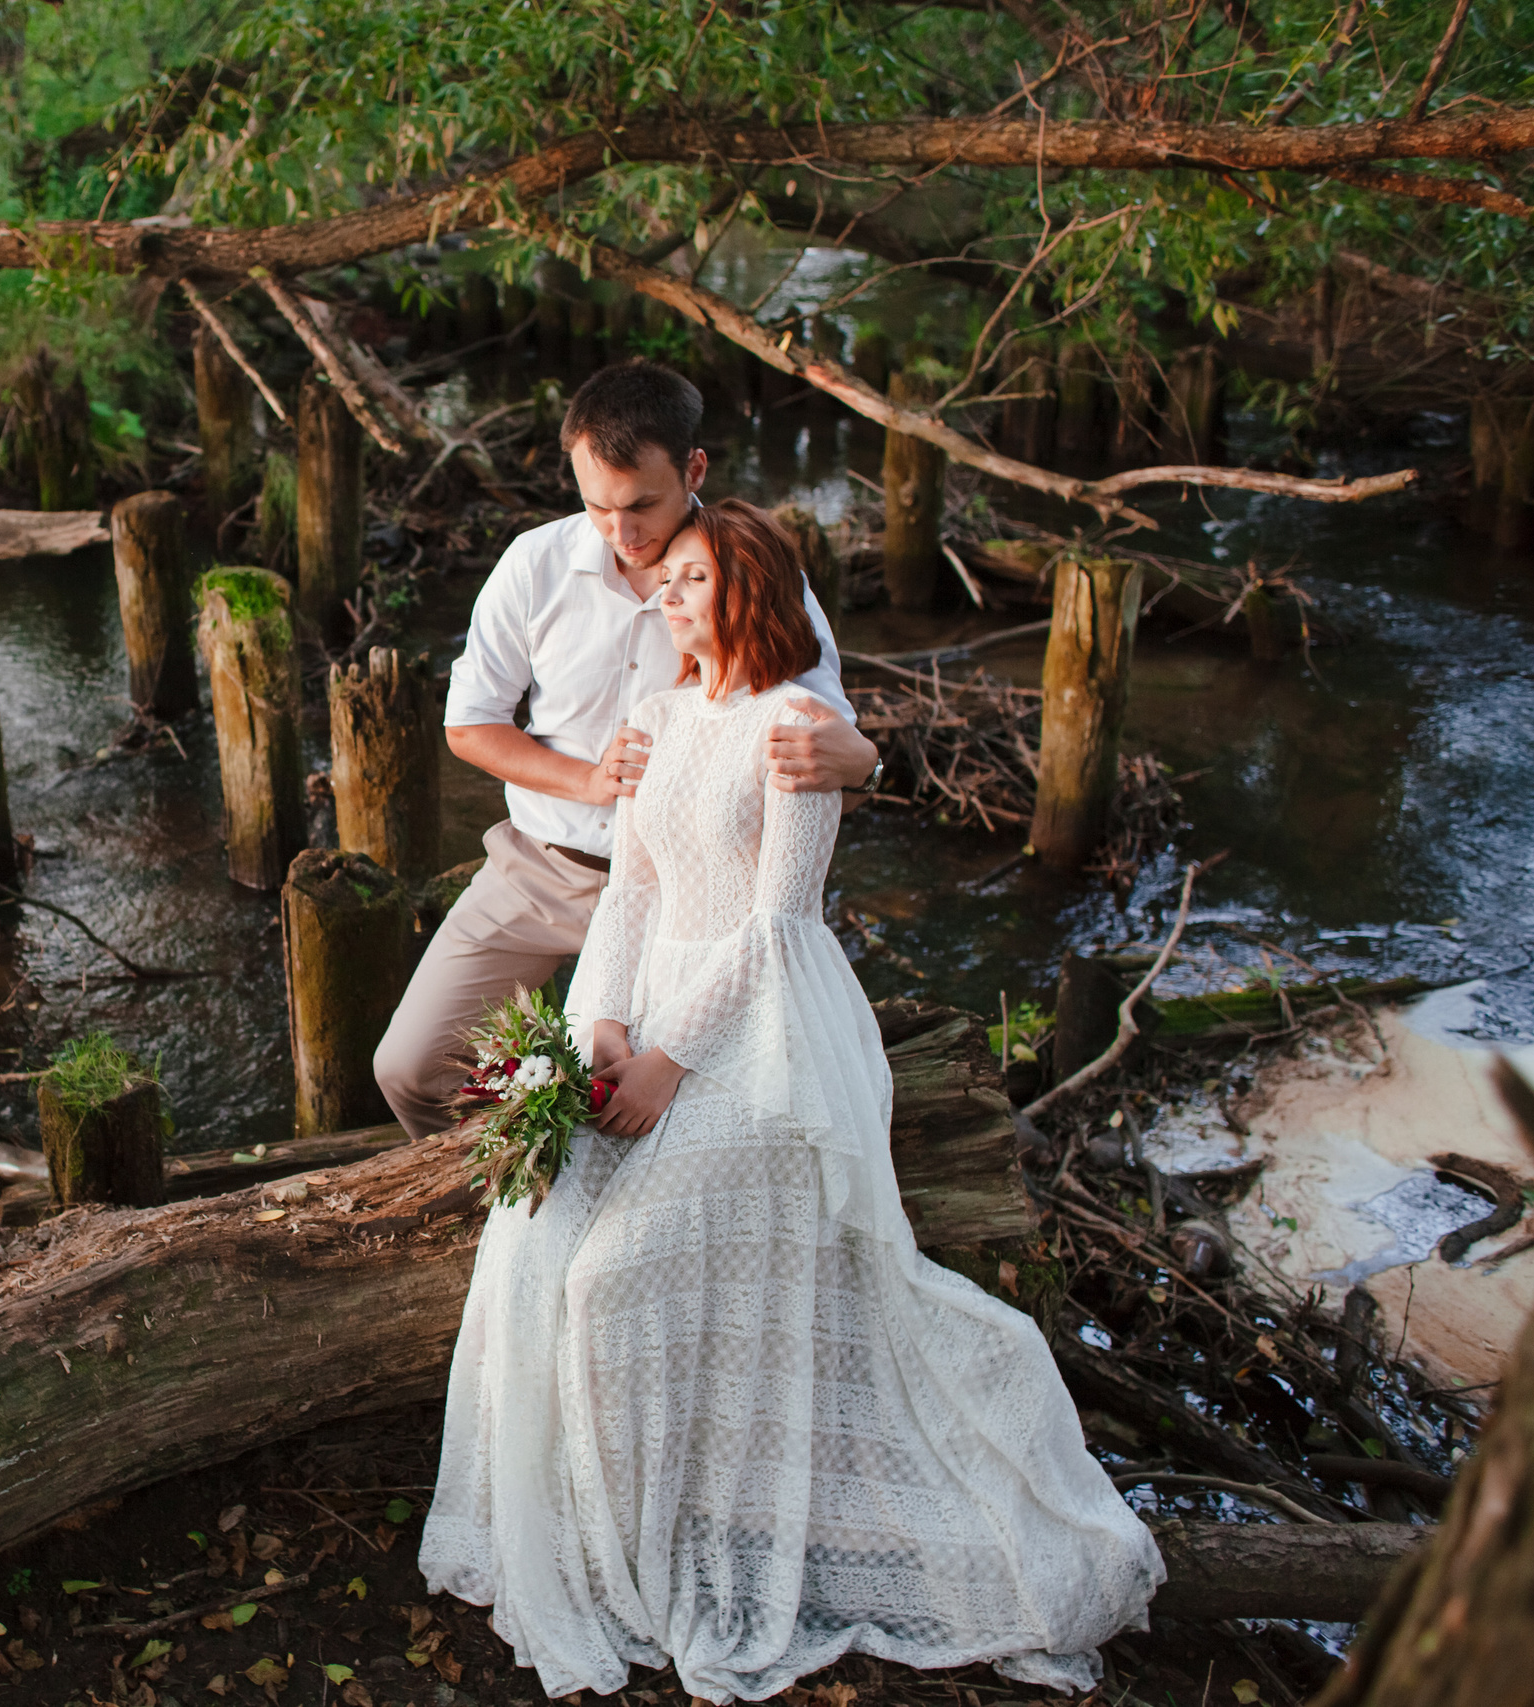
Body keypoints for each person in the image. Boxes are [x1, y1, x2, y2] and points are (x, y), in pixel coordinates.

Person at [419, 500, 1162, 1701]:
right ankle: (599, 1539)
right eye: (666, 584)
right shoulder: (652, 719)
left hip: (761, 1035)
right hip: (645, 1003)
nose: (665, 597)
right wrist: (604, 1024)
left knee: (616, 1278)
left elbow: (776, 923)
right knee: (537, 1238)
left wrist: (670, 1061)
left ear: (747, 595)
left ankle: (683, 1546)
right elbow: (628, 897)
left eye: (691, 579)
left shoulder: (796, 727)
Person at [372, 361, 880, 1139]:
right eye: (597, 506)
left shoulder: (757, 574)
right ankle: (519, 1197)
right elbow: (468, 725)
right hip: (544, 867)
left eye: (642, 504)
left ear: (693, 468)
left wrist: (867, 762)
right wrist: (587, 779)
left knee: (700, 1110)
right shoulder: (534, 566)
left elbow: (825, 744)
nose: (623, 533)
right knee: (409, 1066)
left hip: (700, 889)